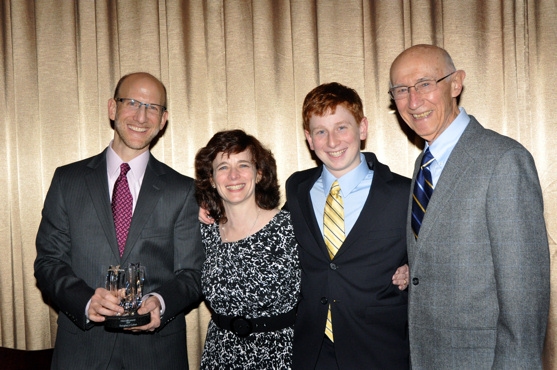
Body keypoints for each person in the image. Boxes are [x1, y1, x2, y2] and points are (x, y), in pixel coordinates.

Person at [389, 44, 550, 368]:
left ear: (456, 83)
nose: (413, 100)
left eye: (424, 83)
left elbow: (523, 303)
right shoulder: (424, 163)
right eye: (401, 90)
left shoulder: (504, 160)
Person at [34, 72, 204, 370]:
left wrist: (159, 303)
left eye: (153, 107)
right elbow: (48, 262)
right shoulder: (67, 180)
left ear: (163, 119)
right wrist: (87, 301)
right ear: (112, 108)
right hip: (82, 352)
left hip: (156, 354)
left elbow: (192, 274)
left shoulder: (183, 190)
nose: (141, 115)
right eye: (133, 103)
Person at [286, 82, 411, 369]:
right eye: (321, 131)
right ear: (309, 138)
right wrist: (214, 208)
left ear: (362, 128)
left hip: (380, 349)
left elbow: (437, 256)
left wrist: (414, 269)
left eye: (342, 127)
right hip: (312, 350)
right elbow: (268, 229)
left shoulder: (404, 193)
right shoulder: (297, 188)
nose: (332, 141)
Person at [194, 129, 301, 369]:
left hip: (281, 357)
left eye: (243, 165)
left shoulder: (291, 226)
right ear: (211, 179)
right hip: (220, 356)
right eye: (222, 167)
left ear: (259, 173)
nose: (233, 176)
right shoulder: (206, 231)